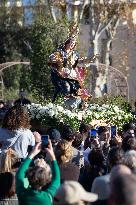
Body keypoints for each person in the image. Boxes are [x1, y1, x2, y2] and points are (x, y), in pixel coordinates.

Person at [16, 140, 60, 205]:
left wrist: (32, 154)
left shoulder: (22, 194)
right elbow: (56, 179)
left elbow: (20, 174)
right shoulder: (48, 197)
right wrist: (52, 156)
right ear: (47, 180)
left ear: (28, 176)